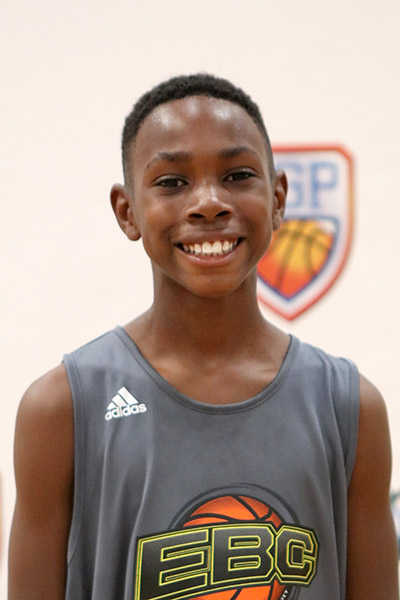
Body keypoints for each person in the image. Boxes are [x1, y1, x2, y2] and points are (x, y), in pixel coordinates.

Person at [8, 74, 399, 600]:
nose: (209, 203)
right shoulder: (61, 408)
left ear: (278, 198)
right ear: (127, 211)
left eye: (238, 175)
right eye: (172, 182)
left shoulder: (348, 407)